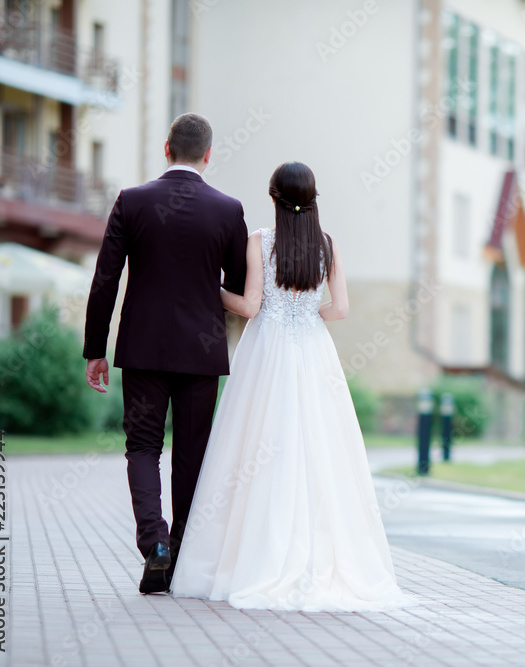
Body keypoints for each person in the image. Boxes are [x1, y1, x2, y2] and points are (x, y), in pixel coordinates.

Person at [169, 162, 413, 611]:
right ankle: (322, 555)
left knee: (255, 445)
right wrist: (306, 316)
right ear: (314, 197)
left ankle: (248, 555)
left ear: (274, 197)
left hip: (267, 352)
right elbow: (339, 309)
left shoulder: (260, 242)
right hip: (314, 352)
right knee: (320, 446)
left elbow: (249, 305)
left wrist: (213, 289)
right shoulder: (330, 246)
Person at [83, 113, 249, 594]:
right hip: (201, 353)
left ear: (165, 148)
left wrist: (96, 348)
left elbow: (105, 281)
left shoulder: (132, 201)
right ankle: (179, 557)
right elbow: (237, 286)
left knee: (142, 447)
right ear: (208, 154)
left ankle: (154, 544)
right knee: (192, 455)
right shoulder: (228, 209)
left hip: (141, 349)